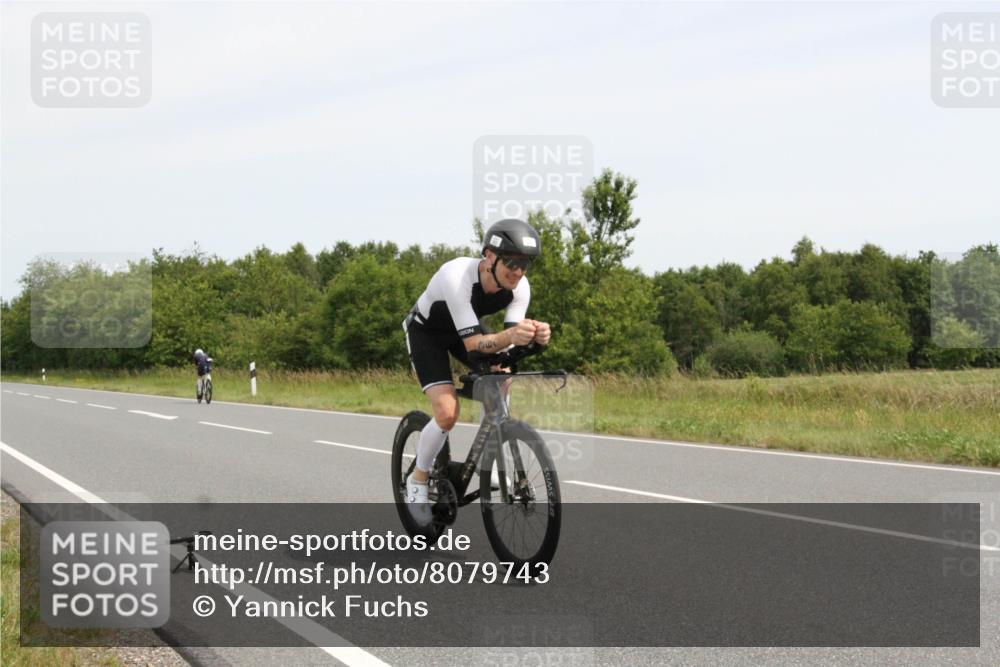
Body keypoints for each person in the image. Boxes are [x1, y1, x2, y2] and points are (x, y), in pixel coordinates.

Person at [401, 219, 552, 525]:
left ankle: (490, 458)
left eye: (525, 264)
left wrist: (535, 336)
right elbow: (474, 343)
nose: (518, 271)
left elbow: (507, 344)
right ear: (489, 256)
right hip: (427, 333)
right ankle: (418, 479)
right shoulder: (457, 276)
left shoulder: (519, 287)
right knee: (447, 413)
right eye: (511, 261)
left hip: (462, 331)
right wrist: (510, 337)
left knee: (502, 374)